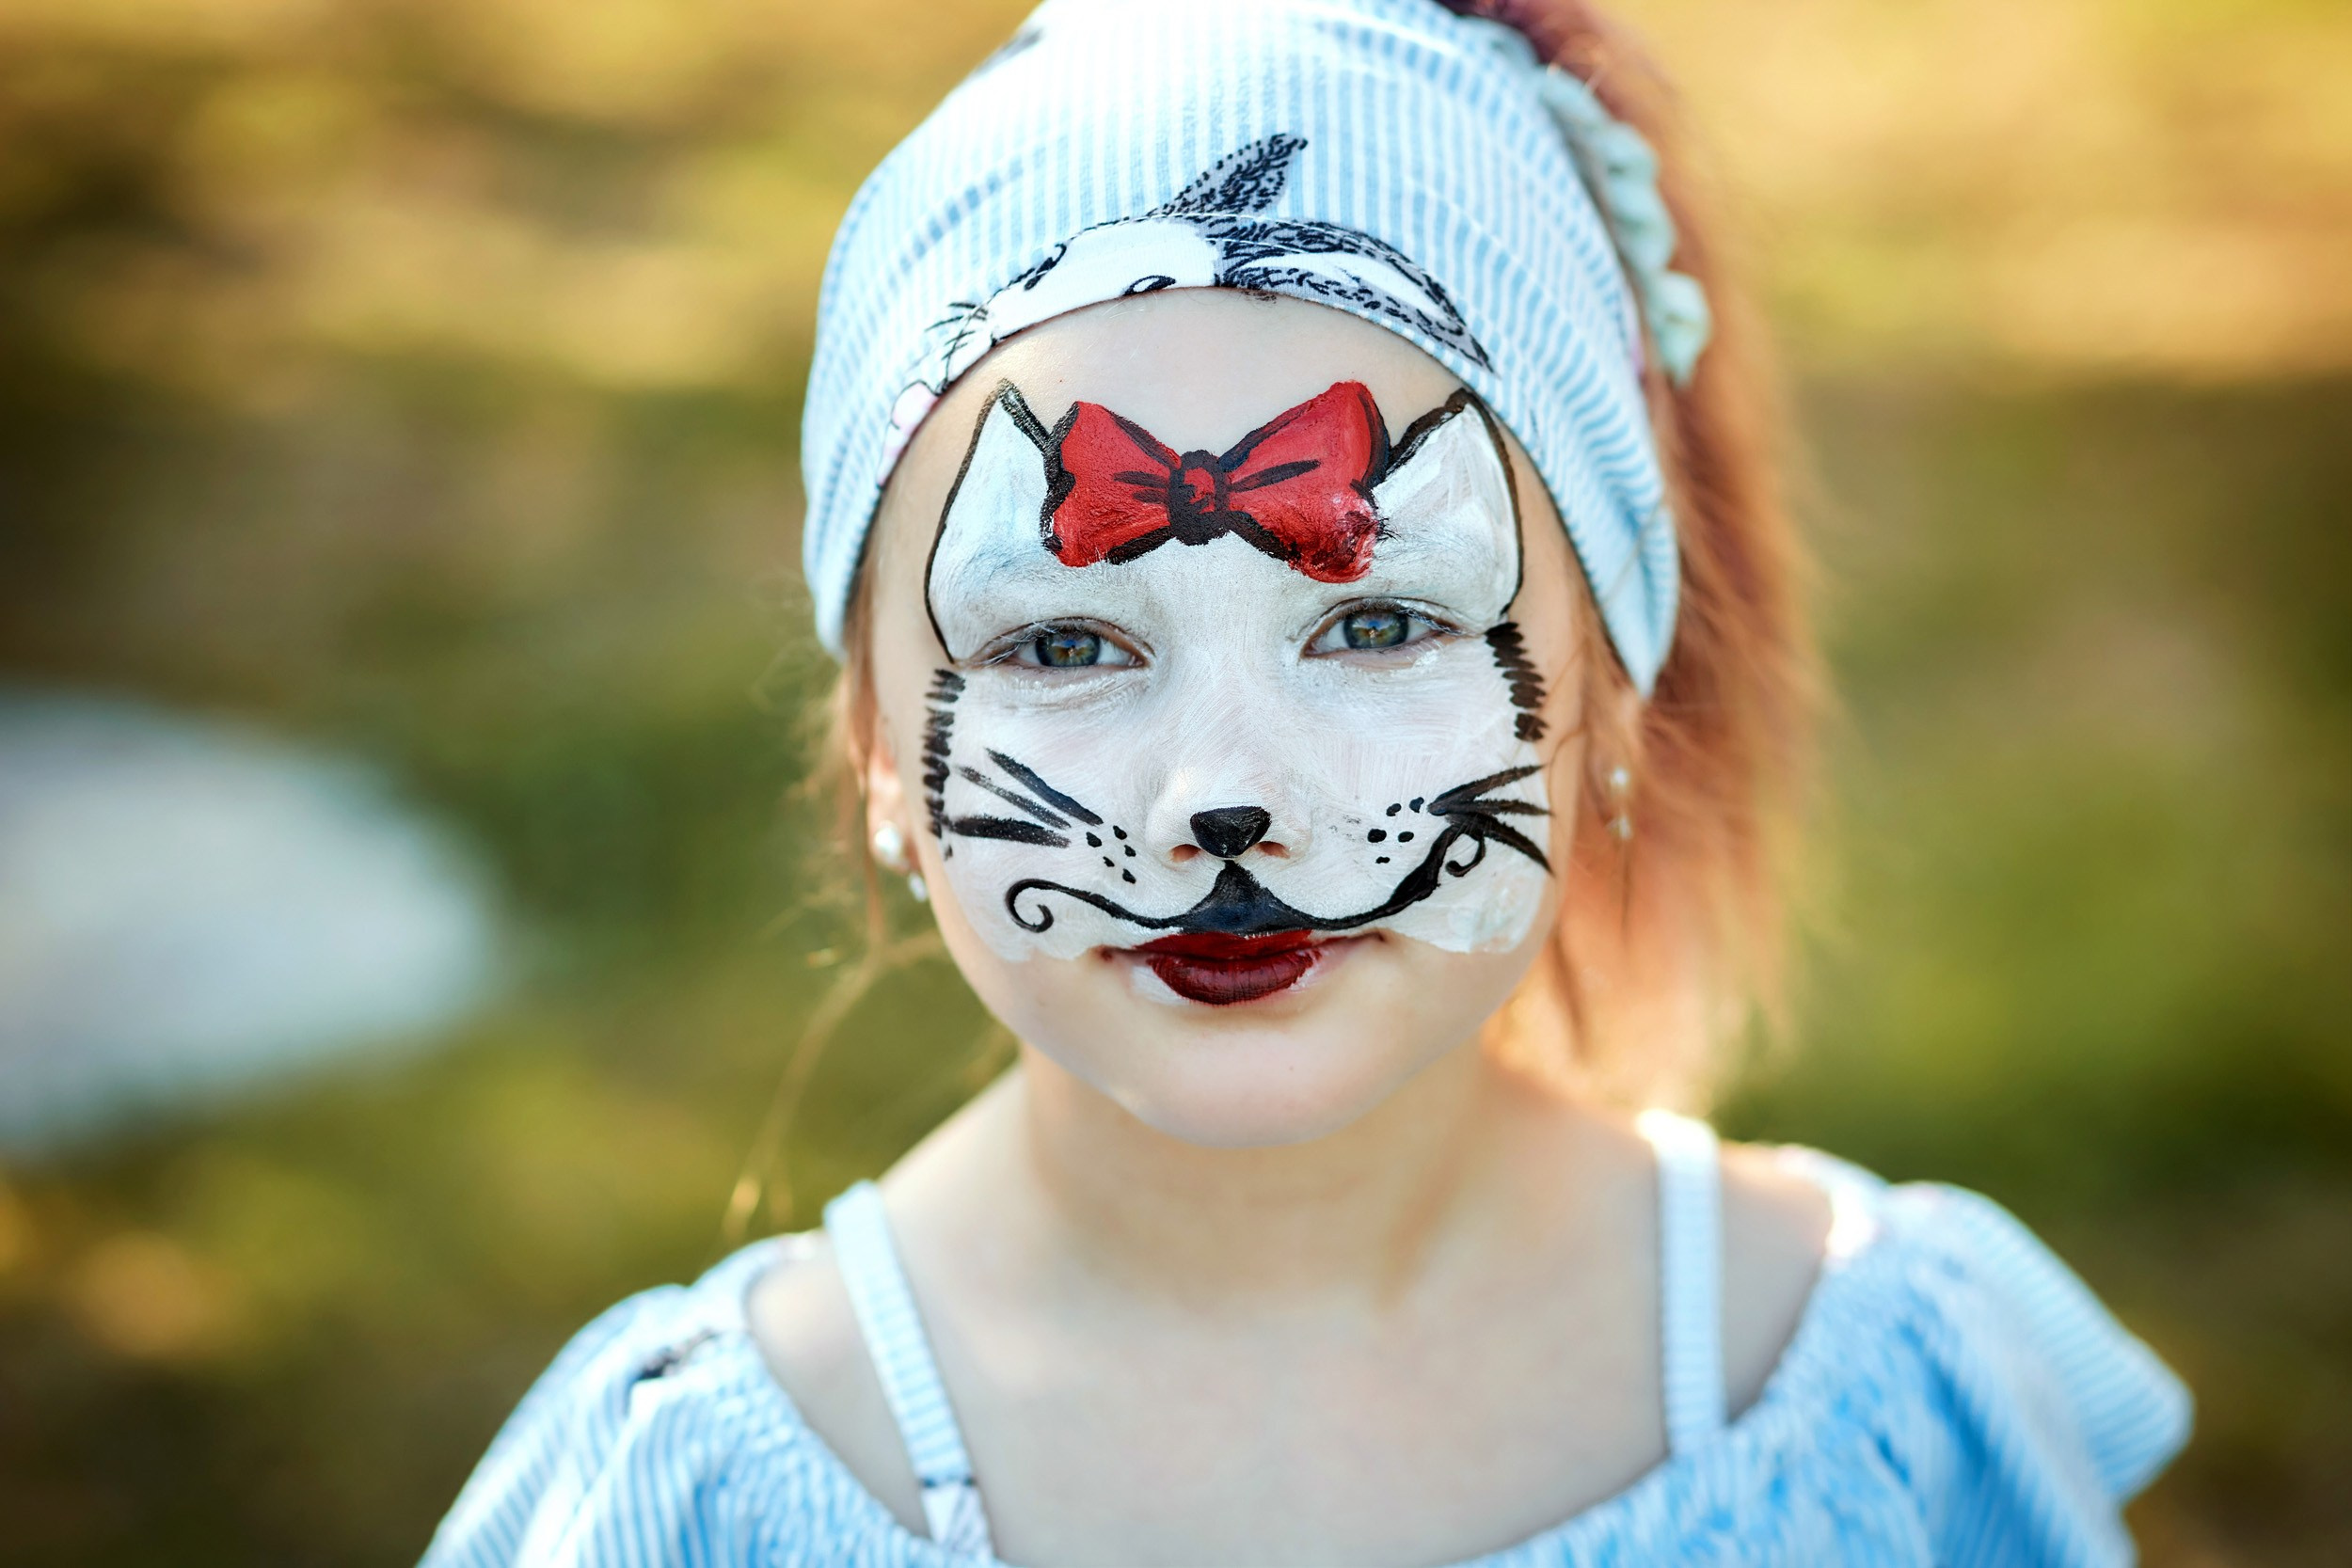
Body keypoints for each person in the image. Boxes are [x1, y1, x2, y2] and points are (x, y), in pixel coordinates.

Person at [421, 1, 2191, 1562]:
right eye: (1064, 644)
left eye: (1380, 625)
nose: (1225, 798)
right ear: (881, 748)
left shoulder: (1871, 1391)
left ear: (1612, 695)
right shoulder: (696, 1492)